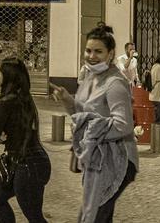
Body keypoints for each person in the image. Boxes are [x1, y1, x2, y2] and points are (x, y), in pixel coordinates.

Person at [52, 26, 138, 223]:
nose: (92, 56)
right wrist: (67, 100)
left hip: (118, 160)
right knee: (97, 214)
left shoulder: (115, 83)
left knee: (93, 215)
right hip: (98, 158)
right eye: (88, 50)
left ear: (110, 54)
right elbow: (83, 115)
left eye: (98, 51)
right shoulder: (90, 78)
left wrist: (90, 134)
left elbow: (123, 125)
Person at [0, 57, 50, 223]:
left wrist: (0, 134)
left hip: (28, 165)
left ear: (7, 77)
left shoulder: (6, 103)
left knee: (34, 216)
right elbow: (18, 129)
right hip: (30, 161)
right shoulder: (25, 98)